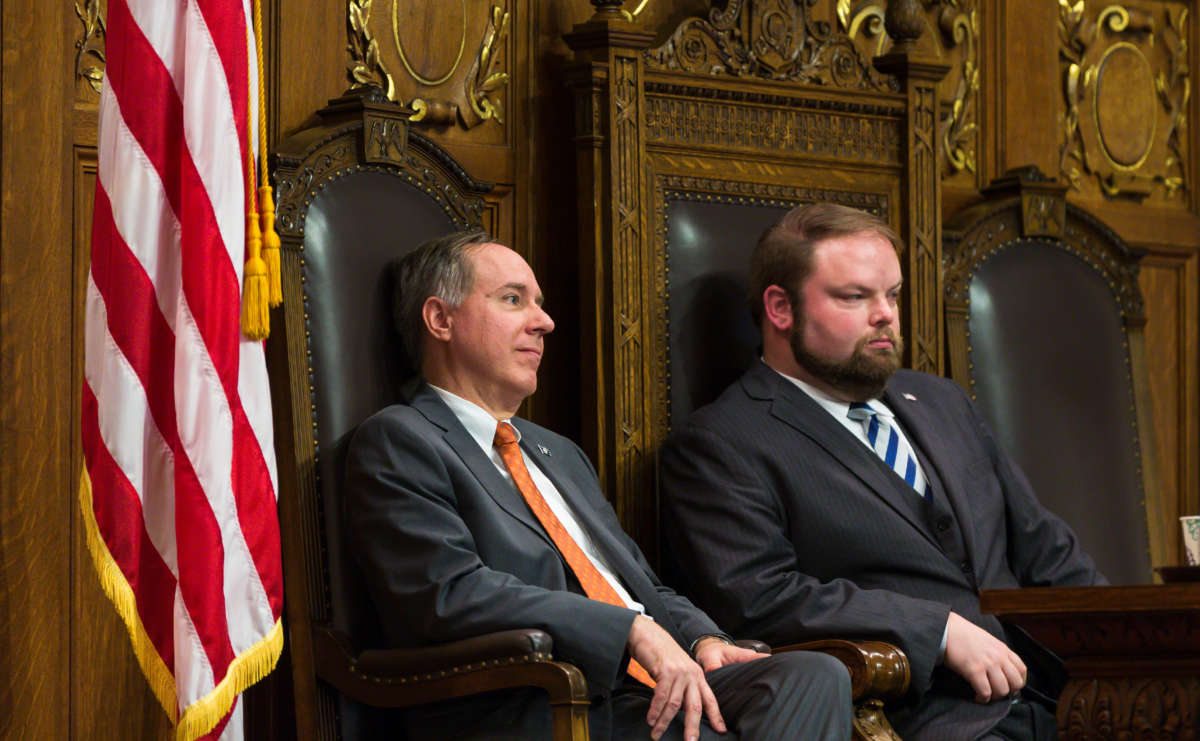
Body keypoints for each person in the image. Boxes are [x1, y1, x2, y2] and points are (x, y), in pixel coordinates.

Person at [343, 229, 851, 741]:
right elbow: (450, 593)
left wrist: (701, 639)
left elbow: (638, 584)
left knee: (811, 677)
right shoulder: (400, 441)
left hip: (637, 689)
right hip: (541, 700)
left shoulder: (556, 452)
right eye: (513, 300)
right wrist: (627, 629)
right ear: (440, 319)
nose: (544, 322)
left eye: (538, 304)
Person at [658, 203, 1106, 741]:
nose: (885, 315)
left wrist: (1142, 647)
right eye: (855, 297)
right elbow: (760, 600)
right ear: (780, 308)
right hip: (933, 715)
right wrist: (935, 631)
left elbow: (1045, 549)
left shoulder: (941, 401)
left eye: (891, 295)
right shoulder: (720, 443)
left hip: (1064, 694)